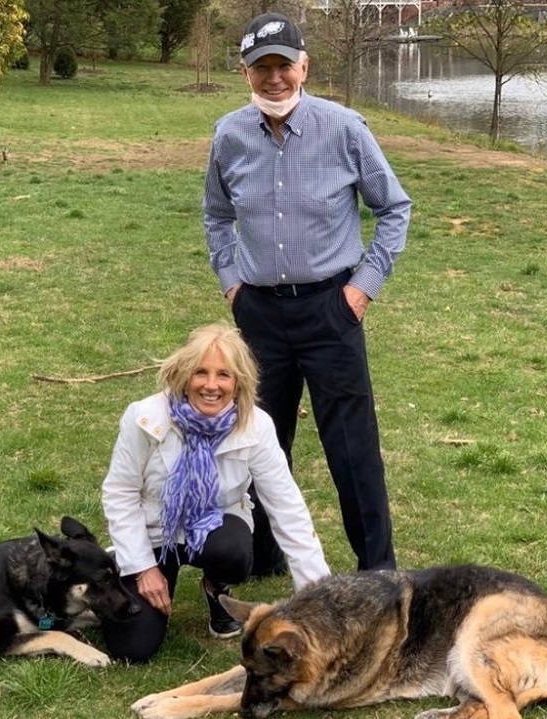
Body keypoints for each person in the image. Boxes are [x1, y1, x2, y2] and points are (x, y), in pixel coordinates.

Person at [203, 12, 412, 573]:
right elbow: (216, 216)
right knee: (261, 442)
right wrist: (232, 285)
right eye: (260, 68)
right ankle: (267, 557)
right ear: (246, 74)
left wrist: (362, 290)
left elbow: (394, 208)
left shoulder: (345, 129)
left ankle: (377, 571)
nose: (274, 79)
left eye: (283, 66)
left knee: (352, 448)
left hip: (331, 308)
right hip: (260, 315)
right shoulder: (229, 136)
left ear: (304, 67)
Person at [99, 323, 330, 664]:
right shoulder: (144, 417)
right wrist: (143, 567)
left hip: (216, 526)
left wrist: (320, 604)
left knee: (233, 553)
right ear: (182, 375)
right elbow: (120, 492)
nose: (211, 385)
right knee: (132, 649)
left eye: (224, 375)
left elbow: (287, 509)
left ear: (239, 382)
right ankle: (125, 564)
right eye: (200, 373)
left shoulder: (257, 425)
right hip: (154, 530)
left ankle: (216, 589)